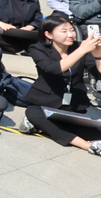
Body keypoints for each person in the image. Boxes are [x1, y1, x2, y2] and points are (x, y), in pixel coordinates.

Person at [20, 16, 101, 154]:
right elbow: (54, 68)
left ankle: (41, 126)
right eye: (64, 31)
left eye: (72, 30)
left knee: (95, 131)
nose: (70, 34)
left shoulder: (79, 47)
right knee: (33, 113)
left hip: (74, 104)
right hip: (46, 102)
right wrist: (82, 50)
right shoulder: (37, 48)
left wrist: (98, 55)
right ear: (48, 34)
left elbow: (98, 73)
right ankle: (89, 146)